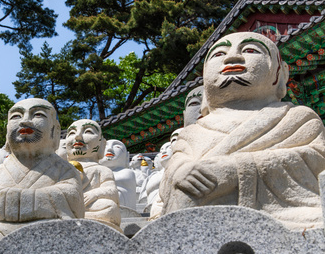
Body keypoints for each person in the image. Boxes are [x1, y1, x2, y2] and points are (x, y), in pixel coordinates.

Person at [159, 32, 325, 230]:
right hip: (198, 221)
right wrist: (181, 171)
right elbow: (172, 173)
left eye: (250, 50)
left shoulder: (297, 119)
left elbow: (317, 158)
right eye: (218, 54)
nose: (232, 57)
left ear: (281, 74)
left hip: (285, 217)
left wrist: (236, 170)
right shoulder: (191, 133)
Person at [0, 98, 84, 247]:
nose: (25, 121)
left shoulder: (65, 170)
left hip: (50, 232)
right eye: (16, 116)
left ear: (55, 130)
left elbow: (72, 198)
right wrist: (42, 200)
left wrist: (11, 200)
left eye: (37, 115)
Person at [66, 119, 121, 229]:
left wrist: (94, 194)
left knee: (110, 207)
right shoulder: (61, 168)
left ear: (102, 144)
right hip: (67, 206)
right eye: (71, 133)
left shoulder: (102, 170)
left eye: (88, 132)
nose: (78, 136)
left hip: (90, 206)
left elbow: (112, 191)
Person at [100, 139, 136, 210]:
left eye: (117, 147)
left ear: (126, 156)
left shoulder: (127, 172)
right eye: (104, 147)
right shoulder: (97, 172)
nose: (110, 148)